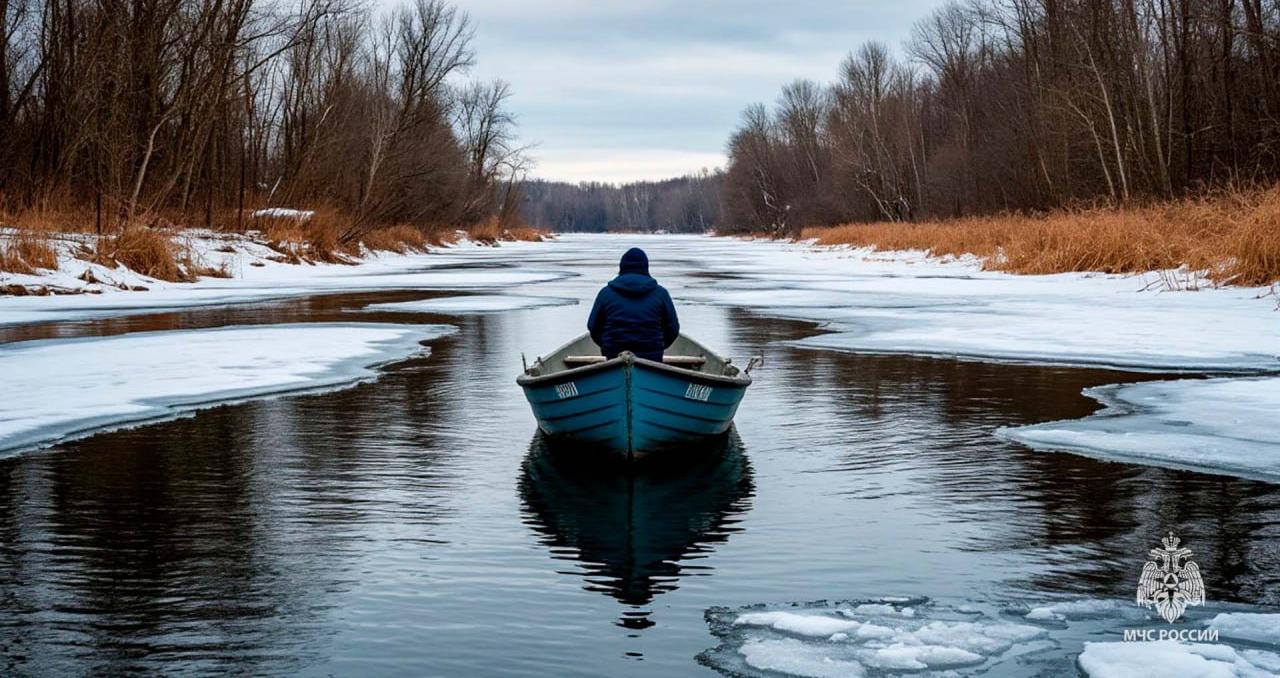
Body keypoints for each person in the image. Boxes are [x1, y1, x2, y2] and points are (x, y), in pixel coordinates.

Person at [587, 248, 680, 362]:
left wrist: (606, 346)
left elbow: (593, 327)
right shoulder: (661, 294)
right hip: (652, 357)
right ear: (646, 268)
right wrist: (657, 347)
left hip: (614, 355)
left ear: (621, 267)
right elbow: (673, 329)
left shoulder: (605, 293)